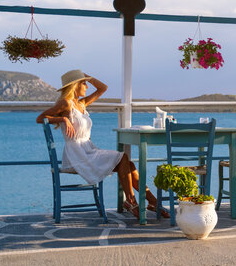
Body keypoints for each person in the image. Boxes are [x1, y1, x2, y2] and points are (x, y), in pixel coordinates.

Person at [36, 69, 169, 219]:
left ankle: (150, 202)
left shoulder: (81, 104)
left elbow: (102, 88)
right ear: (75, 86)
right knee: (124, 158)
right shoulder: (65, 103)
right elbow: (40, 118)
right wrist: (62, 119)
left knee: (128, 165)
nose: (87, 86)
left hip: (88, 150)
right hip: (77, 154)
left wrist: (88, 77)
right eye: (84, 83)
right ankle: (134, 202)